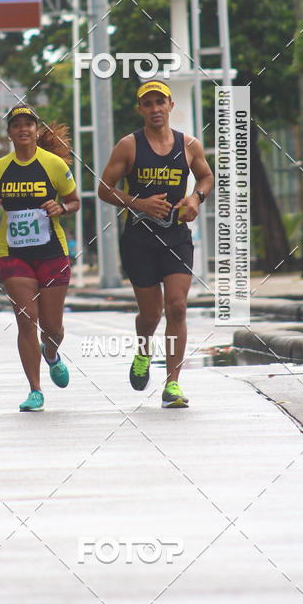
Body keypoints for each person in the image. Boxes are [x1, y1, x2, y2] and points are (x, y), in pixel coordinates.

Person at [98, 81, 213, 408]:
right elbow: (104, 189)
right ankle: (143, 350)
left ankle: (172, 384)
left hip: (176, 237)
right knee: (150, 314)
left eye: (159, 102)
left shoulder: (189, 145)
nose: (155, 109)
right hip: (139, 241)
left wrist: (195, 197)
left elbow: (206, 177)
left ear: (170, 105)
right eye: (147, 104)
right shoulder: (128, 146)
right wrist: (138, 203)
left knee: (176, 306)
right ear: (141, 110)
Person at [0, 105, 80, 412]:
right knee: (26, 321)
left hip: (51, 251)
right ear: (9, 133)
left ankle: (51, 352)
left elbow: (74, 201)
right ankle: (35, 390)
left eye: (29, 124)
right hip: (14, 253)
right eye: (16, 125)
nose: (23, 129)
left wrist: (60, 209)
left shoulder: (53, 165)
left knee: (53, 327)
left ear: (37, 130)